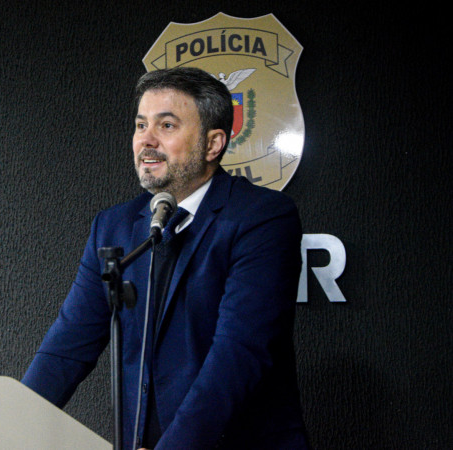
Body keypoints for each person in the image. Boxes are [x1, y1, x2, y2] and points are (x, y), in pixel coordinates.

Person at [22, 67, 309, 449]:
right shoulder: (114, 227)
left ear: (213, 144)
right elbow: (67, 347)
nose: (147, 140)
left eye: (167, 125)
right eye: (141, 125)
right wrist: (6, 428)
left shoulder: (262, 218)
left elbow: (238, 355)